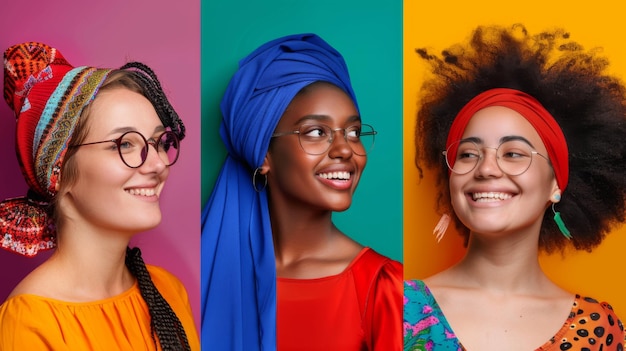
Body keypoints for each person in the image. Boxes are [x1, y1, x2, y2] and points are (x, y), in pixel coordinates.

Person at [403, 24, 626, 351]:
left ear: (555, 184)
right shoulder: (392, 308)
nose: (487, 168)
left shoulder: (599, 329)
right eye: (468, 154)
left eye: (514, 153)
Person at [201, 33, 403, 350]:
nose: (345, 149)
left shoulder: (384, 287)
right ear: (263, 154)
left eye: (353, 132)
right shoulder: (205, 276)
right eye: (316, 132)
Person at [0, 42, 199, 350]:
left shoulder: (169, 291)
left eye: (159, 142)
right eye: (125, 144)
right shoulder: (31, 321)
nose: (159, 163)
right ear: (60, 172)